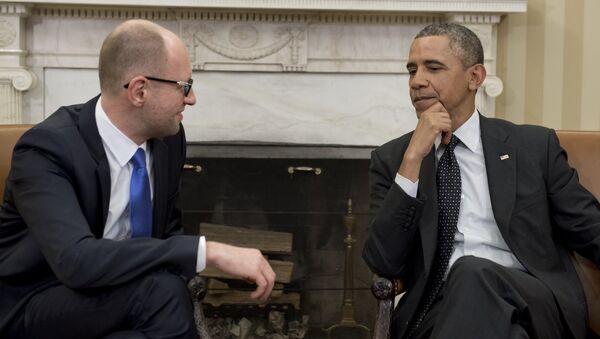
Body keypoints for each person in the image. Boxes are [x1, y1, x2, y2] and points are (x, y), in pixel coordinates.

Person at [0, 19, 276, 339]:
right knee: (162, 293)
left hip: (122, 297)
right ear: (139, 90)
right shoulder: (47, 150)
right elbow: (75, 261)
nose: (192, 98)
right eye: (184, 86)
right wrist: (209, 252)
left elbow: (167, 230)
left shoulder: (169, 139)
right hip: (37, 302)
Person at [362, 23, 600, 339]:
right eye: (412, 70)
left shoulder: (532, 147)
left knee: (472, 270)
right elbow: (384, 262)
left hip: (531, 299)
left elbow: (589, 228)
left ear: (475, 77)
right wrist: (412, 160)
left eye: (433, 68)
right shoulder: (394, 158)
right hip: (438, 309)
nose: (417, 81)